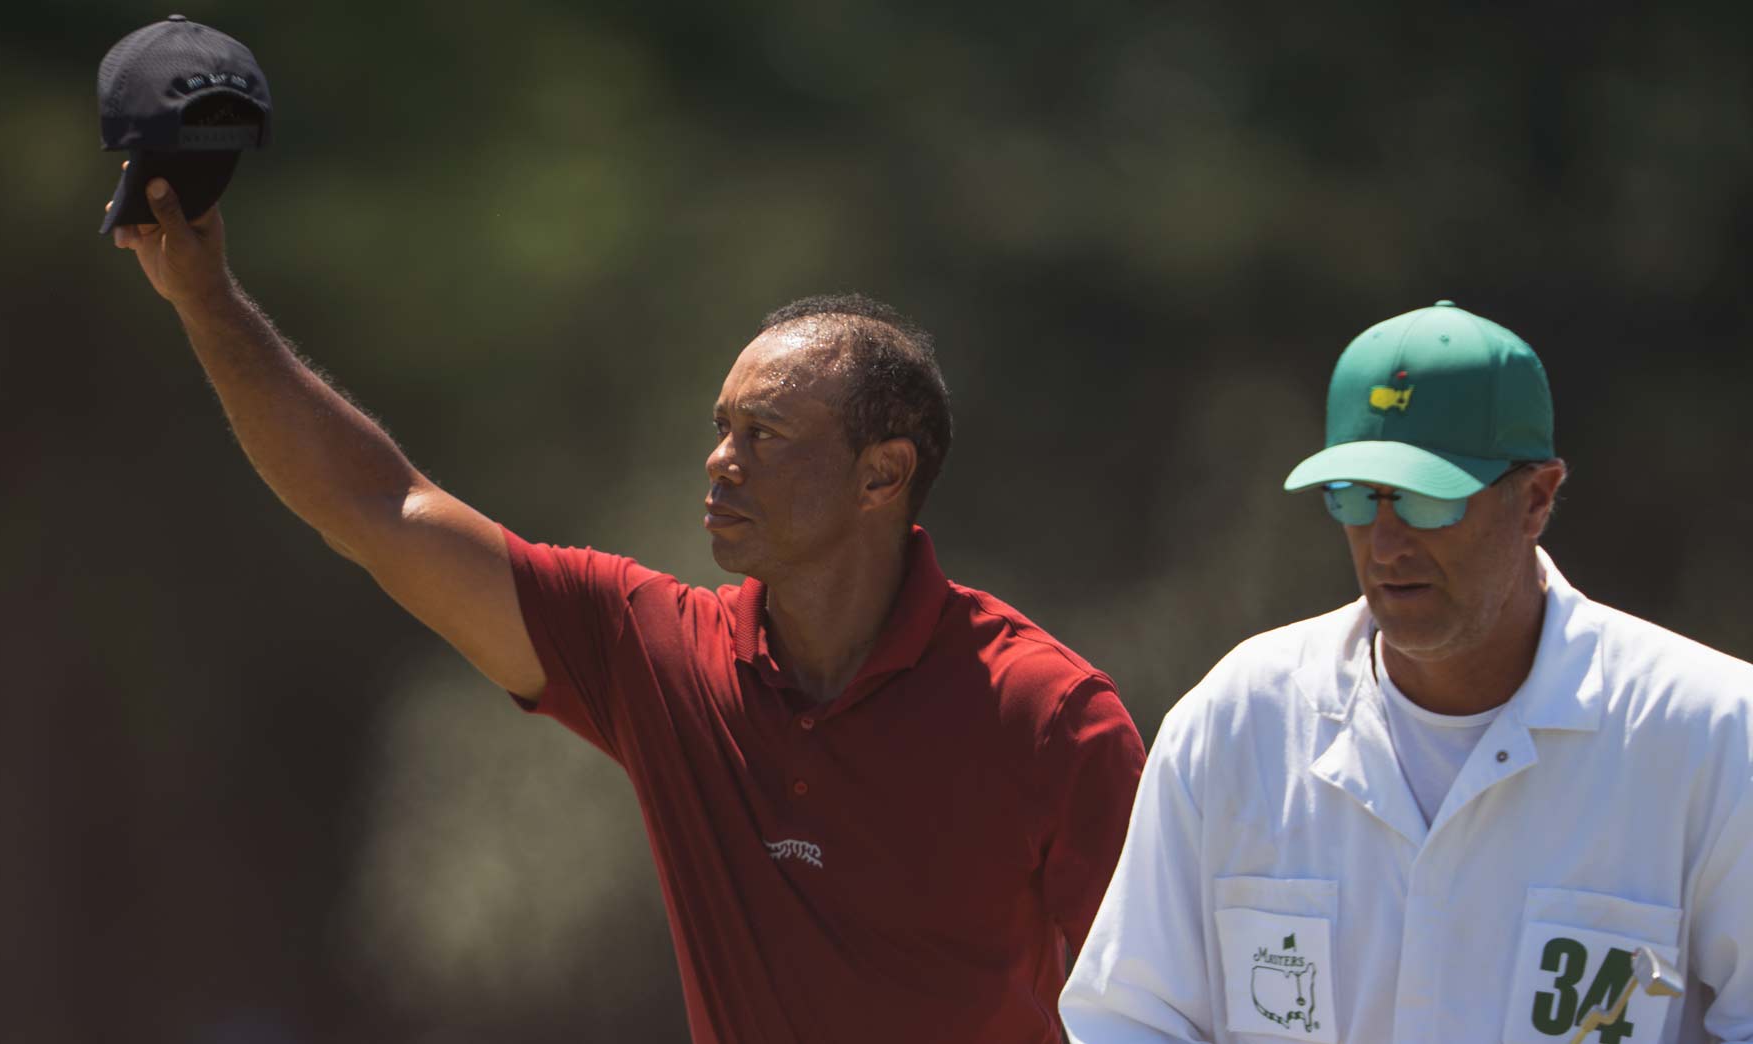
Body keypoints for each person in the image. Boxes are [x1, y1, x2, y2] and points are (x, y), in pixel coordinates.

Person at [108, 178, 1145, 1043]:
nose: (718, 461)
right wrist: (207, 300)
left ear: (882, 477)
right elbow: (379, 506)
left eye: (765, 435)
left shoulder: (1050, 717)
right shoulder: (657, 653)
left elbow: (1161, 1010)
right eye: (719, 426)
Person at [1061, 301, 1753, 1043]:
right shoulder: (1239, 718)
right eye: (1357, 496)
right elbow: (1133, 1018)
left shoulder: (1711, 731)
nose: (1385, 543)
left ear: (1537, 499)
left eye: (1428, 499)